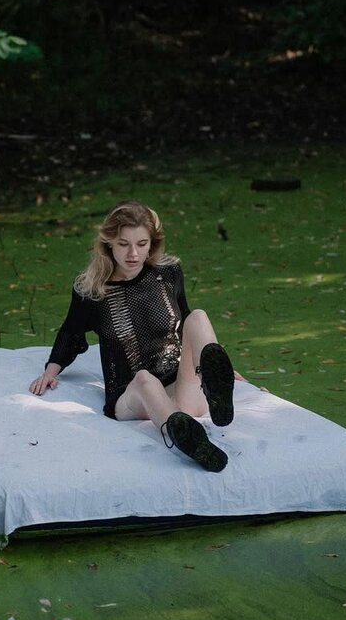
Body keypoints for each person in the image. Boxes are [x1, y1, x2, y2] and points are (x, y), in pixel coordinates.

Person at [29, 200, 241, 472]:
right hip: (131, 398)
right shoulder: (91, 291)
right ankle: (191, 441)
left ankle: (216, 387)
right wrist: (50, 370)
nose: (133, 253)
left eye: (142, 244)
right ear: (109, 244)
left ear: (152, 244)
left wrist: (214, 364)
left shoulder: (168, 273)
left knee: (198, 316)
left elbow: (185, 318)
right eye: (123, 244)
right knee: (144, 379)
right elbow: (71, 331)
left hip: (181, 388)